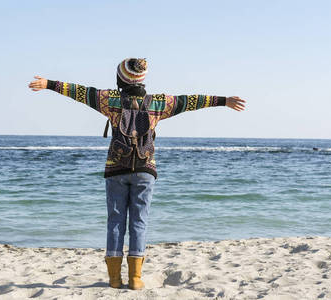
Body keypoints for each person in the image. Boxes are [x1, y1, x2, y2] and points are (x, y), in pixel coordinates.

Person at [28, 58, 246, 290]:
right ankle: (135, 278)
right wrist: (224, 101)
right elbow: (189, 101)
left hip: (116, 169)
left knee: (115, 222)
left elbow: (80, 92)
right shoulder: (159, 103)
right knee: (139, 222)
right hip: (145, 169)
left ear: (120, 78)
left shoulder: (108, 99)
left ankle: (114, 279)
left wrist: (48, 83)